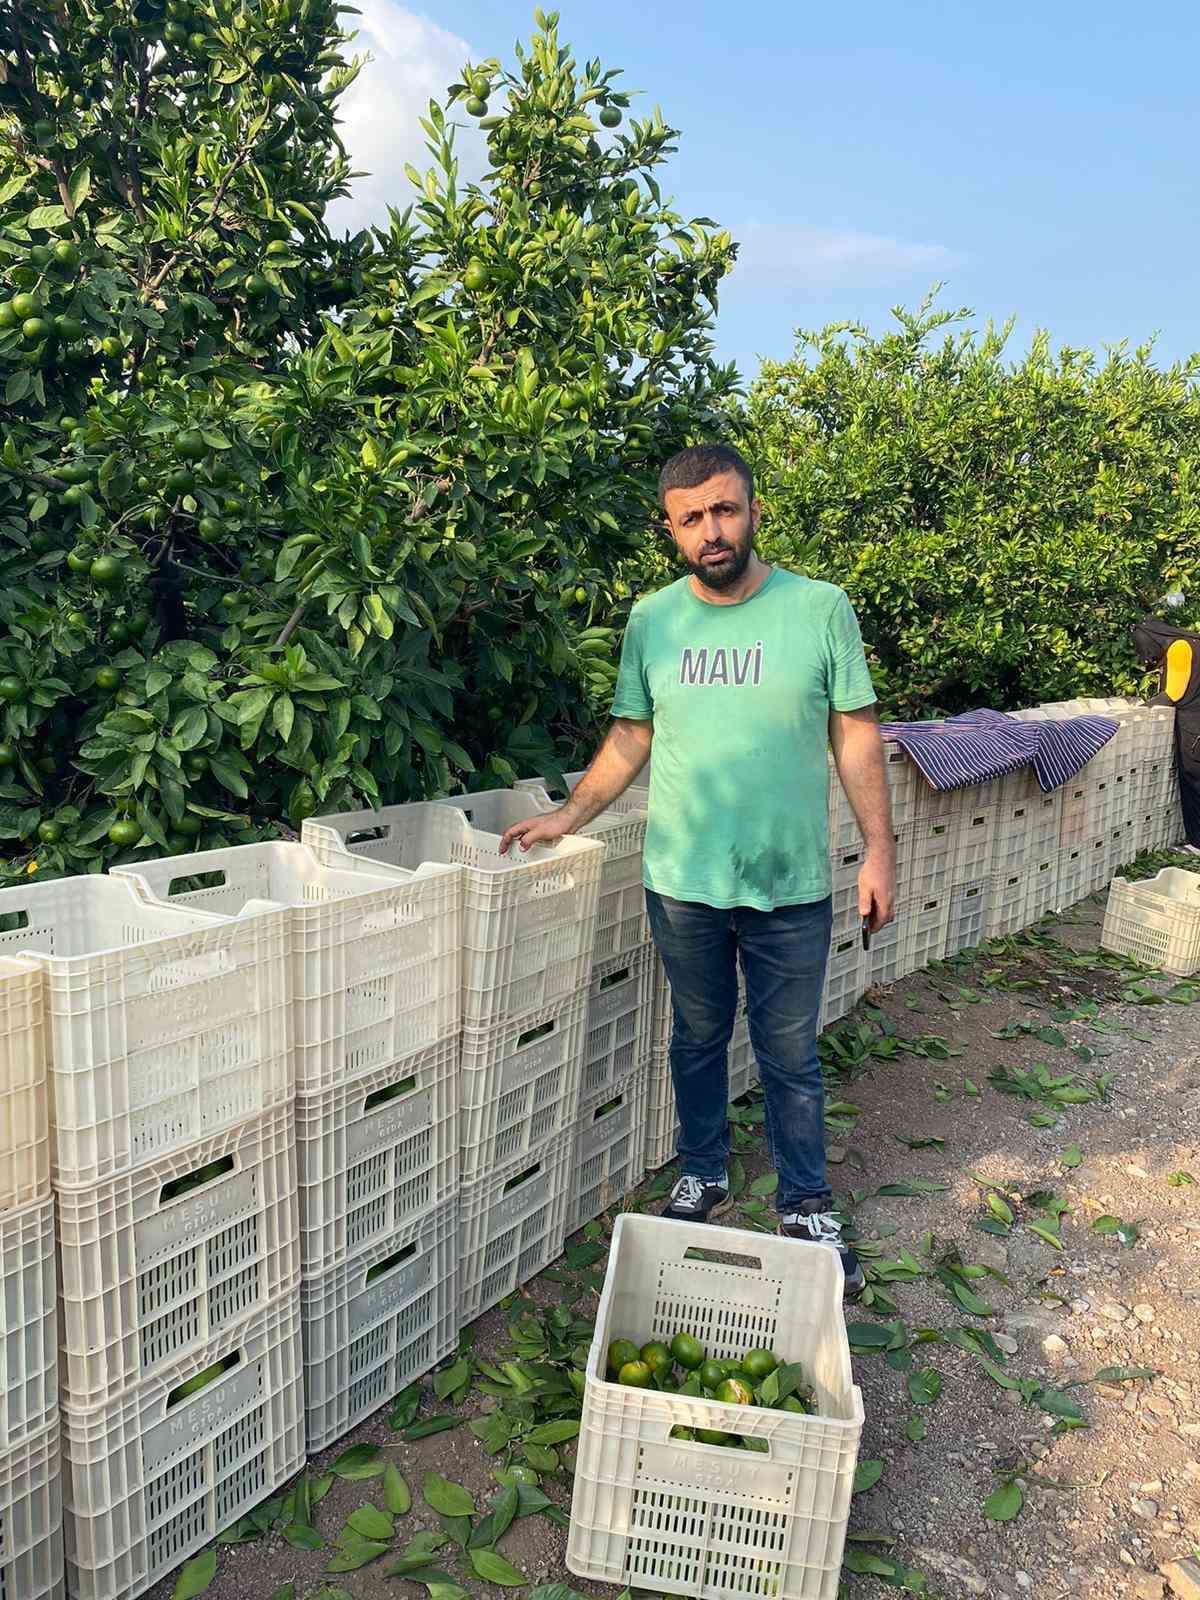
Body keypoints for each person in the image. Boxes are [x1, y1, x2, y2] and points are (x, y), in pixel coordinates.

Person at [499, 442, 895, 1297]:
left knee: (790, 1053)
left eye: (723, 510)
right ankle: (703, 1172)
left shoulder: (820, 609)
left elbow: (855, 731)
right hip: (682, 885)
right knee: (698, 1036)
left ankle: (807, 1205)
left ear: (753, 510)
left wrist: (880, 852)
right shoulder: (653, 620)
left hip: (790, 883)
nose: (710, 531)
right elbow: (632, 736)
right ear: (671, 530)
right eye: (691, 519)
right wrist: (568, 816)